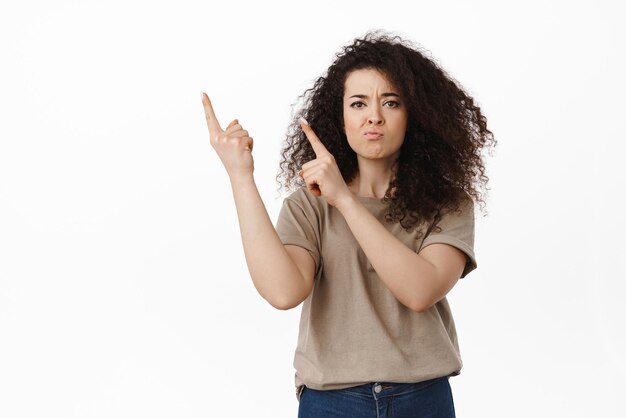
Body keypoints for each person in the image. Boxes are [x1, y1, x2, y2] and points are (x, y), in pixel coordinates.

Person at [201, 31, 495, 418]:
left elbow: (420, 290)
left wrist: (344, 199)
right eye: (358, 103)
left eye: (391, 102)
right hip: (330, 401)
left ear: (415, 114)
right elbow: (283, 292)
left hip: (421, 398)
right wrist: (241, 176)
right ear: (340, 116)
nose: (374, 115)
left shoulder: (447, 203)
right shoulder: (310, 204)